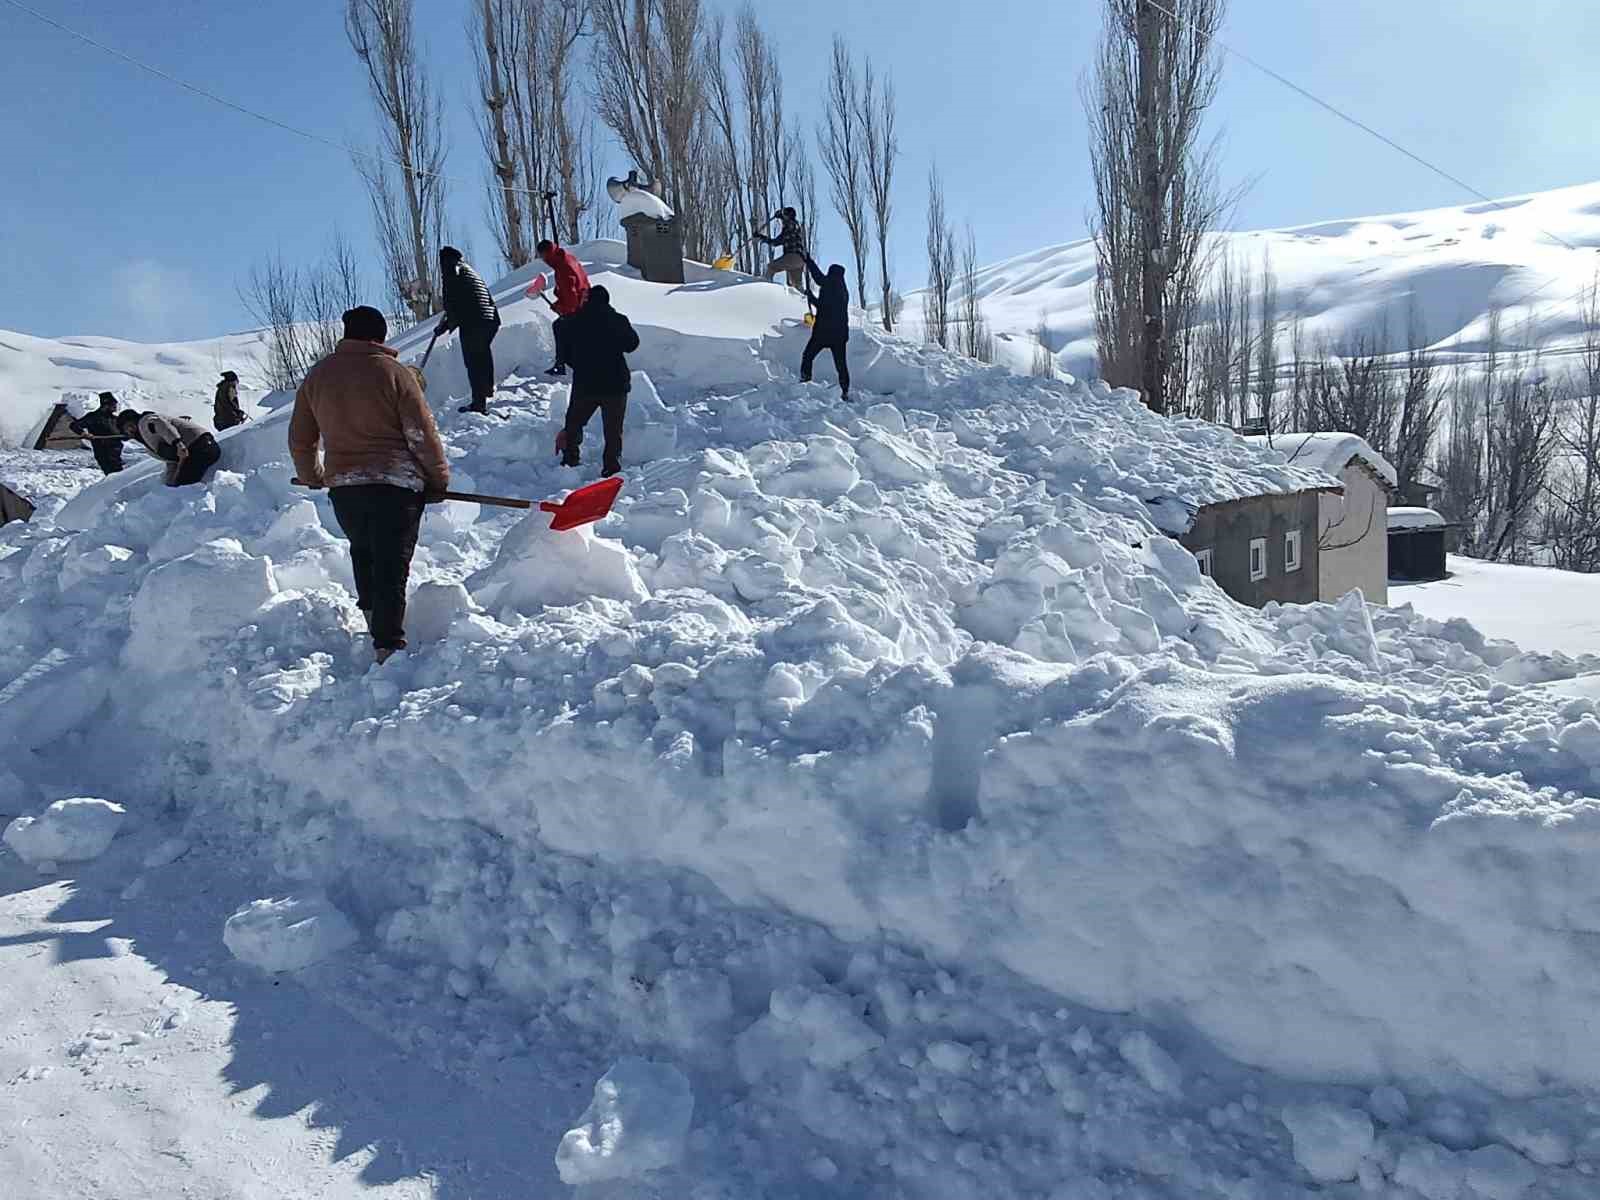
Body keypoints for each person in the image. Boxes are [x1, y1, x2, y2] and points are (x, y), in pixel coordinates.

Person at [290, 306, 449, 663]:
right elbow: (421, 434)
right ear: (380, 336)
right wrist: (437, 479)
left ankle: (374, 622)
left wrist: (313, 475)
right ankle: (388, 644)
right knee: (392, 563)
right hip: (395, 484)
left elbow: (301, 438)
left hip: (346, 487)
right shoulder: (394, 373)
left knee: (364, 552)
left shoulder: (318, 376)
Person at [556, 285, 639, 478]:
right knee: (613, 430)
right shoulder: (618, 320)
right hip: (615, 384)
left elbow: (565, 352)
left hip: (586, 384)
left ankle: (570, 460)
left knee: (574, 423)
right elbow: (632, 344)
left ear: (587, 300)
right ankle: (611, 467)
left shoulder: (574, 322)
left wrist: (579, 363)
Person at [436, 246, 501, 415]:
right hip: (490, 319)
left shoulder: (451, 269)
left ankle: (479, 403)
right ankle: (486, 390)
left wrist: (443, 327)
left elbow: (453, 303)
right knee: (482, 356)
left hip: (474, 321)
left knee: (473, 361)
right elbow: (464, 299)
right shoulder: (467, 269)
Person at [116, 408, 221, 487]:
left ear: (131, 422)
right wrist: (170, 481)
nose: (129, 432)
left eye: (126, 428)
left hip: (199, 446)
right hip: (199, 450)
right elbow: (171, 459)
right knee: (181, 484)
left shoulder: (146, 421)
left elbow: (162, 426)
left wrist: (178, 443)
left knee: (184, 487)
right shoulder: (148, 440)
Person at [800, 254, 851, 402]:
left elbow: (819, 280)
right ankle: (845, 391)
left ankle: (805, 383)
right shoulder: (843, 290)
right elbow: (826, 304)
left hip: (823, 332)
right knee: (841, 365)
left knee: (807, 356)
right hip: (839, 335)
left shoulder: (831, 284)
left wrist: (809, 262)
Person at [538, 238, 591, 377]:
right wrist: (559, 304)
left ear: (547, 254)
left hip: (578, 308)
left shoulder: (562, 268)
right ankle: (565, 363)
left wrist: (562, 308)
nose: (543, 261)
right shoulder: (568, 258)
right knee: (562, 327)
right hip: (585, 302)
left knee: (560, 327)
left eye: (542, 257)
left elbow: (570, 295)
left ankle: (563, 365)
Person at [69, 392, 125, 475]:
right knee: (113, 476)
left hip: (116, 453)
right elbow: (74, 425)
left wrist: (128, 434)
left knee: (119, 476)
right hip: (104, 453)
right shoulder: (93, 417)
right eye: (113, 405)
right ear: (106, 405)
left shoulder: (115, 419)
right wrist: (84, 433)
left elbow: (121, 435)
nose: (115, 407)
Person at [758, 207, 806, 289]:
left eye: (785, 215)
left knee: (771, 267)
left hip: (792, 256)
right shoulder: (796, 226)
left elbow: (776, 242)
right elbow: (777, 241)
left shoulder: (790, 225)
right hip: (800, 259)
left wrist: (762, 237)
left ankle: (764, 288)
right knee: (797, 286)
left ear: (788, 216)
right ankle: (803, 300)